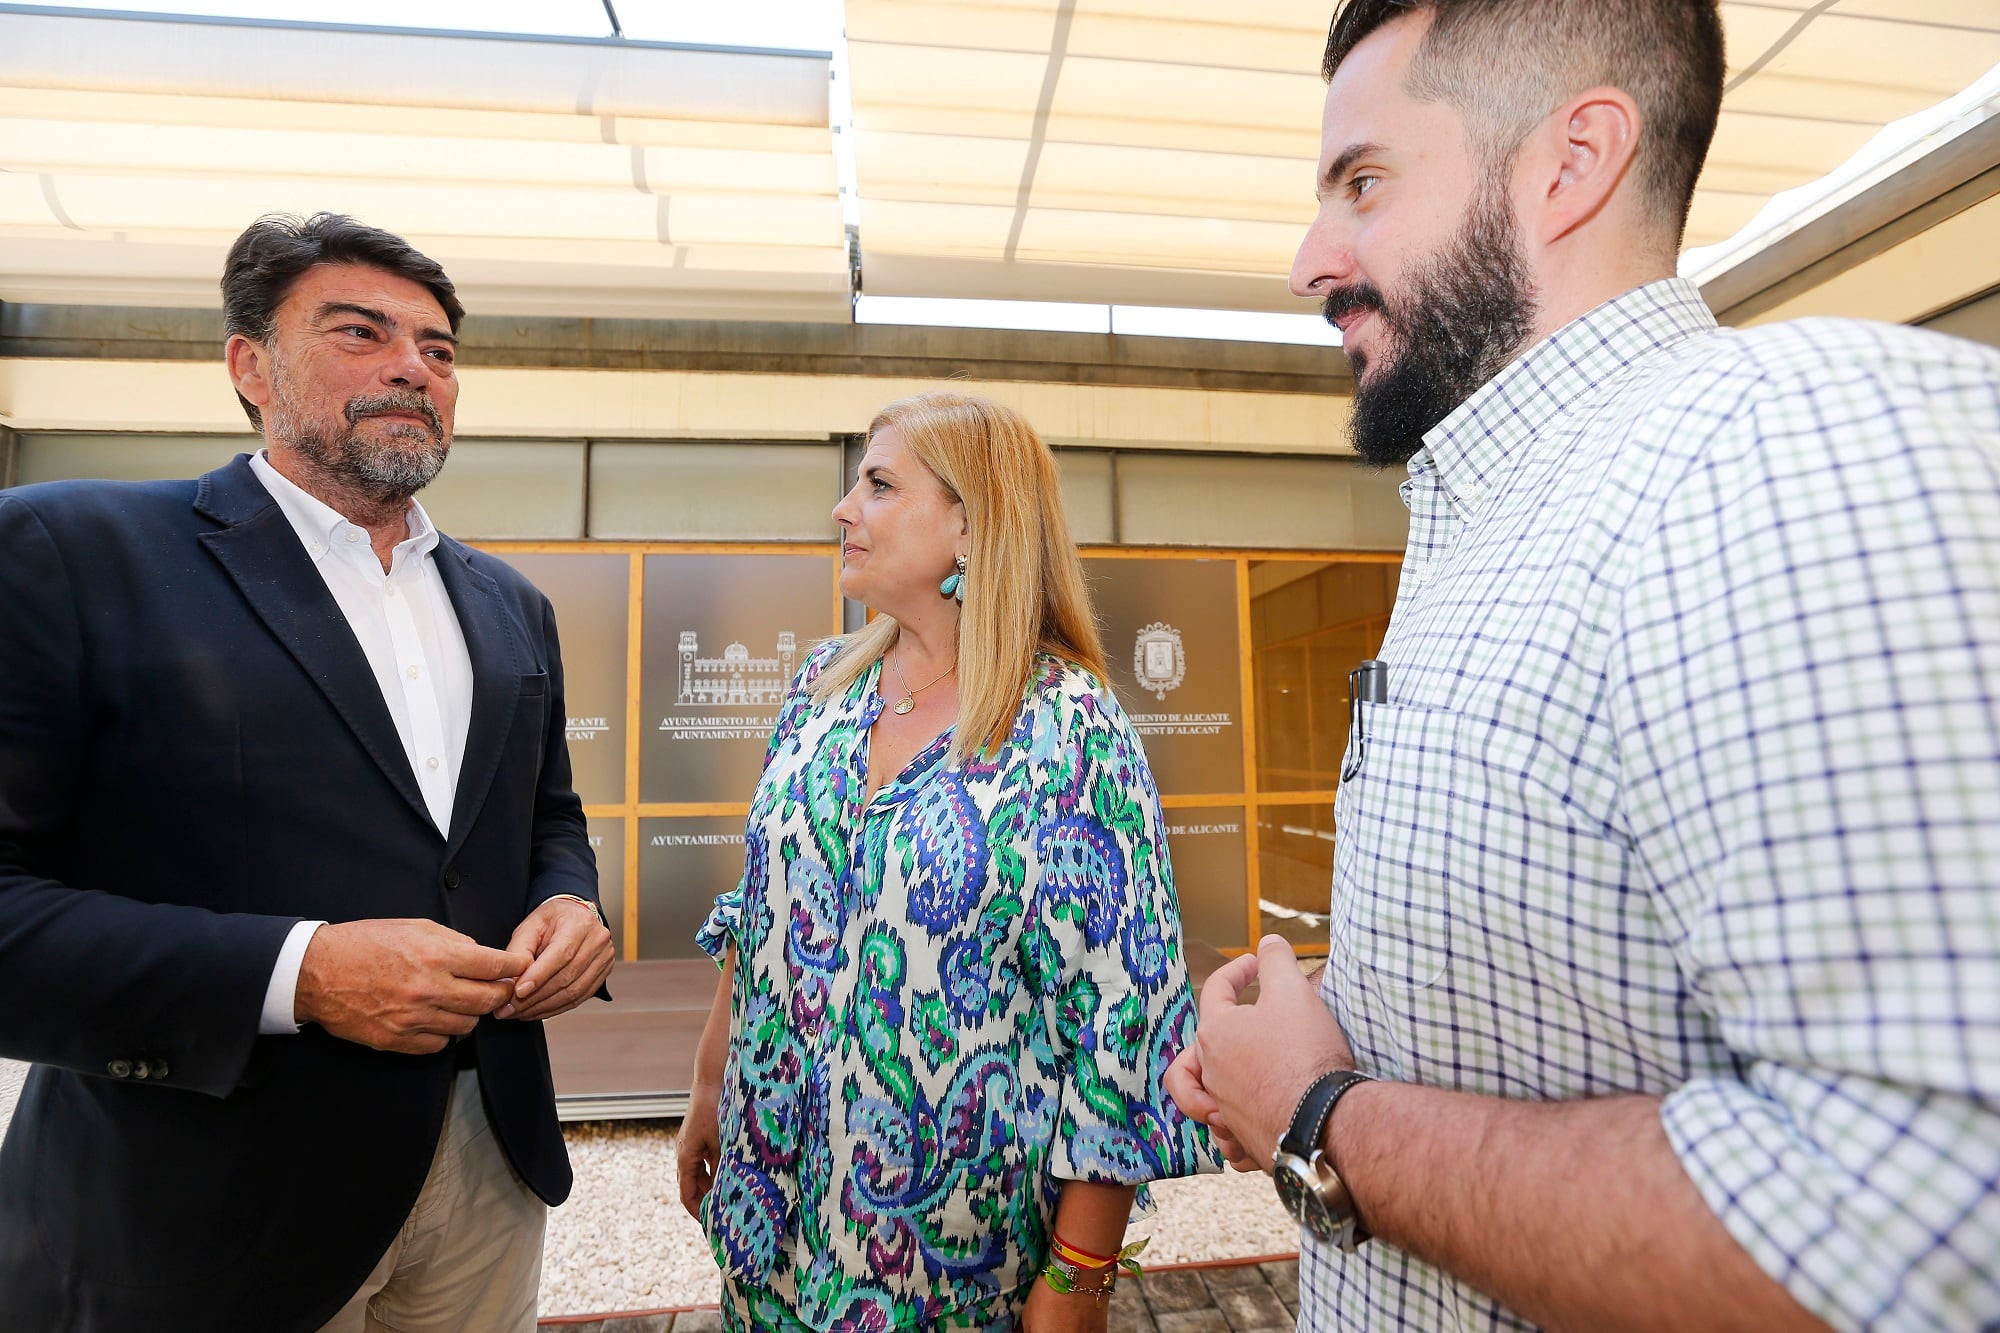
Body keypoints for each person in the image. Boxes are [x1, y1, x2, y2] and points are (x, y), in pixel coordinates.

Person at [1164, 2, 2000, 1331]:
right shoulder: (1510, 515)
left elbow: (1925, 1228)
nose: (1312, 259)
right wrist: (1340, 1033)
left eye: (1365, 182)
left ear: (1574, 161)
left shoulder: (1780, 449)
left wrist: (1318, 1117)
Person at [0, 212, 615, 1332]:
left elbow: (546, 817)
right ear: (250, 364)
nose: (411, 369)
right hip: (204, 1202)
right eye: (358, 332)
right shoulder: (67, 550)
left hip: (487, 1171)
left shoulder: (509, 604)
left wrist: (569, 900)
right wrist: (303, 971)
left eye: (438, 349)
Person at [677, 391, 1217, 1331]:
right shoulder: (821, 687)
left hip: (945, 1271)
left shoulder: (1069, 729)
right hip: (767, 1225)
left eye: (879, 484)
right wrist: (705, 1087)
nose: (844, 509)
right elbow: (765, 911)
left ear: (972, 523)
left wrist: (1080, 1277)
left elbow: (1119, 1026)